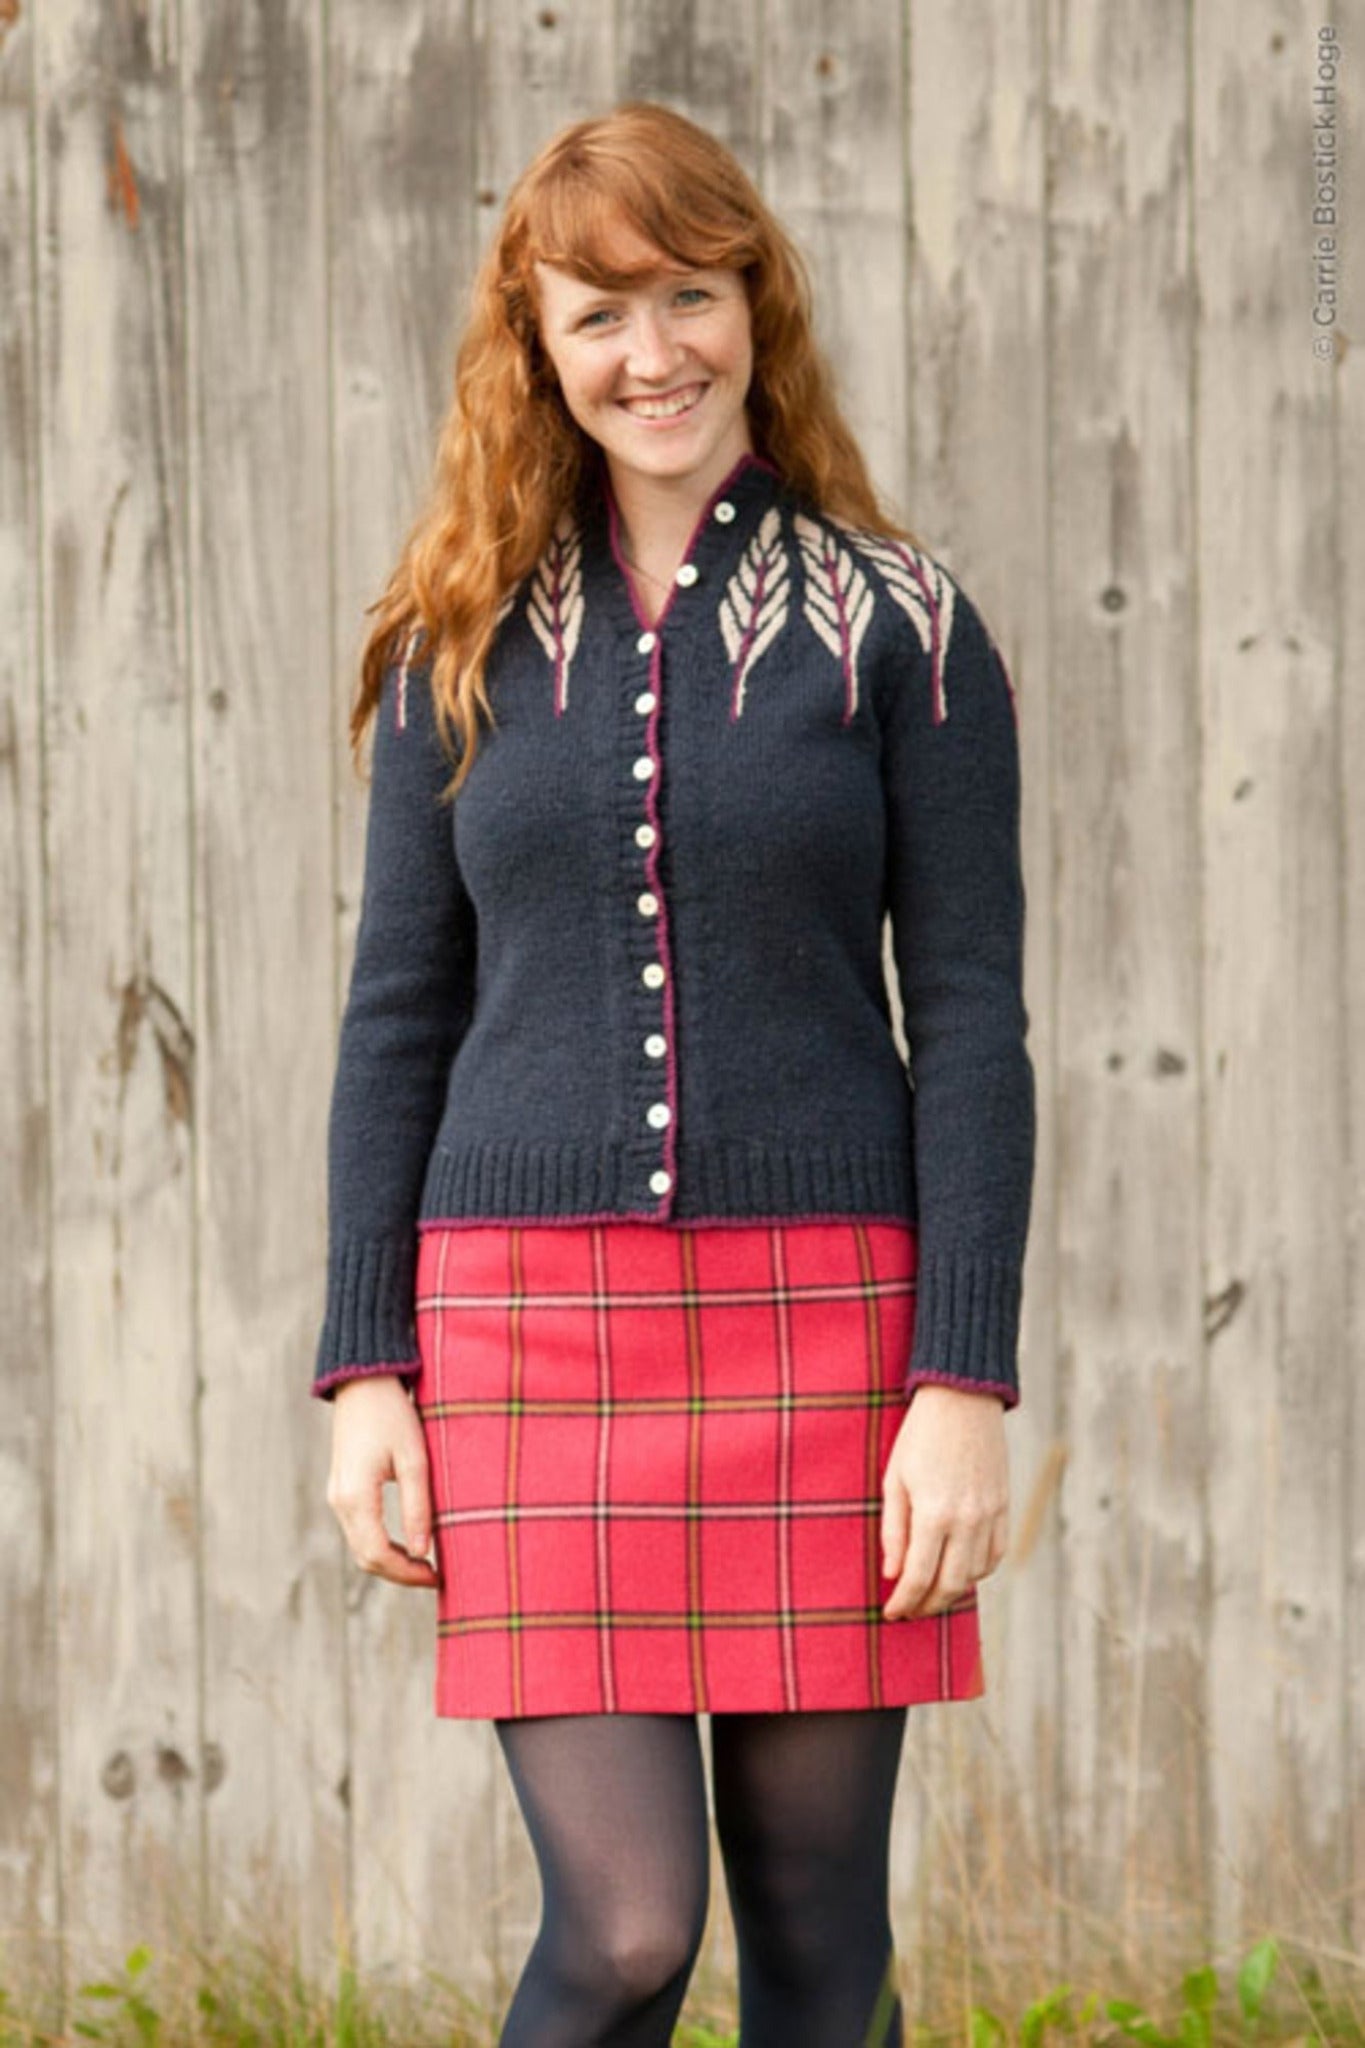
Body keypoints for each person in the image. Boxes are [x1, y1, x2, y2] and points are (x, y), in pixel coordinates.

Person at [313, 99, 1035, 2048]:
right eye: (598, 313)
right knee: (627, 1928)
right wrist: (363, 1365)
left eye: (688, 296)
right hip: (528, 1335)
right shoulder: (451, 643)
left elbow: (967, 1014)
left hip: (828, 1327)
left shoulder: (902, 630)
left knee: (817, 1945)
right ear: (533, 349)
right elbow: (395, 1013)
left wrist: (956, 1379)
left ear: (752, 303)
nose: (653, 353)